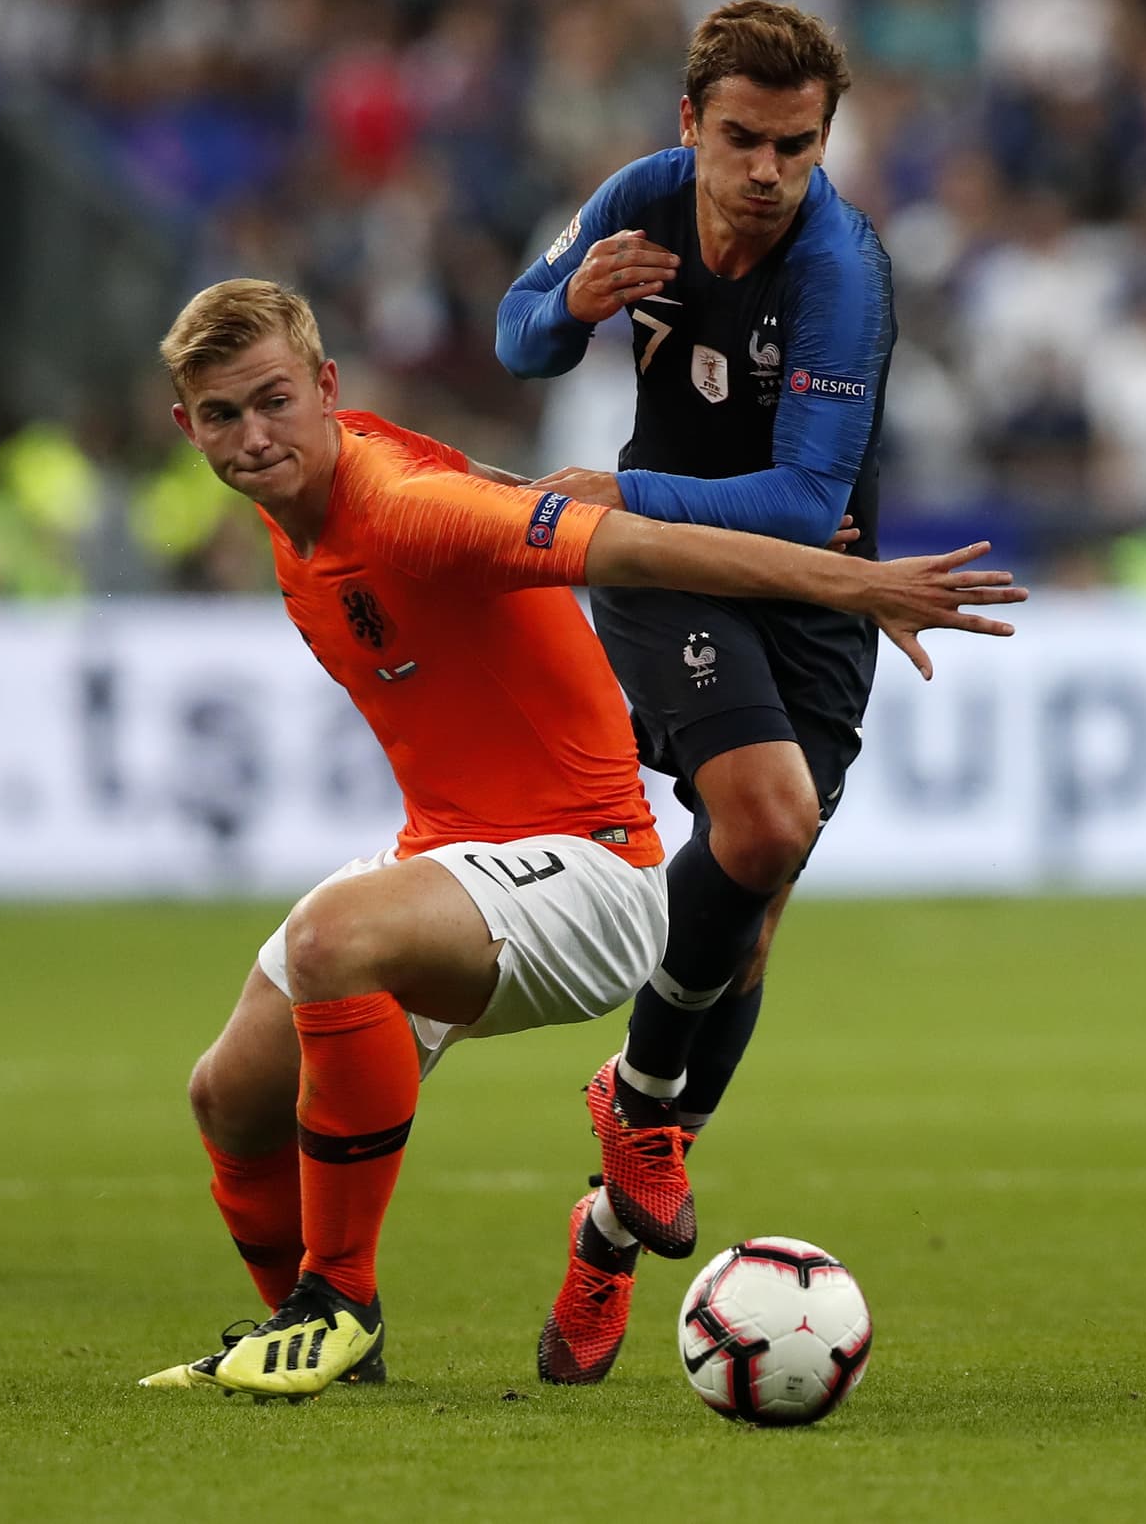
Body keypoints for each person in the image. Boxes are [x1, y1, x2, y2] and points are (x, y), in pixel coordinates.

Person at [138, 277, 1022, 1401]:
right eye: (223, 416)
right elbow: (500, 488)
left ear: (325, 387)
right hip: (452, 857)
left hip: (590, 874)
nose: (254, 437)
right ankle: (306, 1338)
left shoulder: (399, 507)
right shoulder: (315, 495)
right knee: (228, 1095)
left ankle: (336, 1301)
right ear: (188, 427)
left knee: (331, 940)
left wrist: (856, 585)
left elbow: (637, 551)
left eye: (273, 402)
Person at [495, 0, 910, 1385]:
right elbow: (515, 336)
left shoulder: (843, 270)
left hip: (802, 589)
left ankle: (611, 1222)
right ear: (690, 123)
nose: (767, 171)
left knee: (757, 907)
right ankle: (644, 1111)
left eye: (797, 144)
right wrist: (572, 308)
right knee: (767, 817)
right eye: (741, 139)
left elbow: (799, 503)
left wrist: (620, 490)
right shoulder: (639, 199)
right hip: (664, 571)